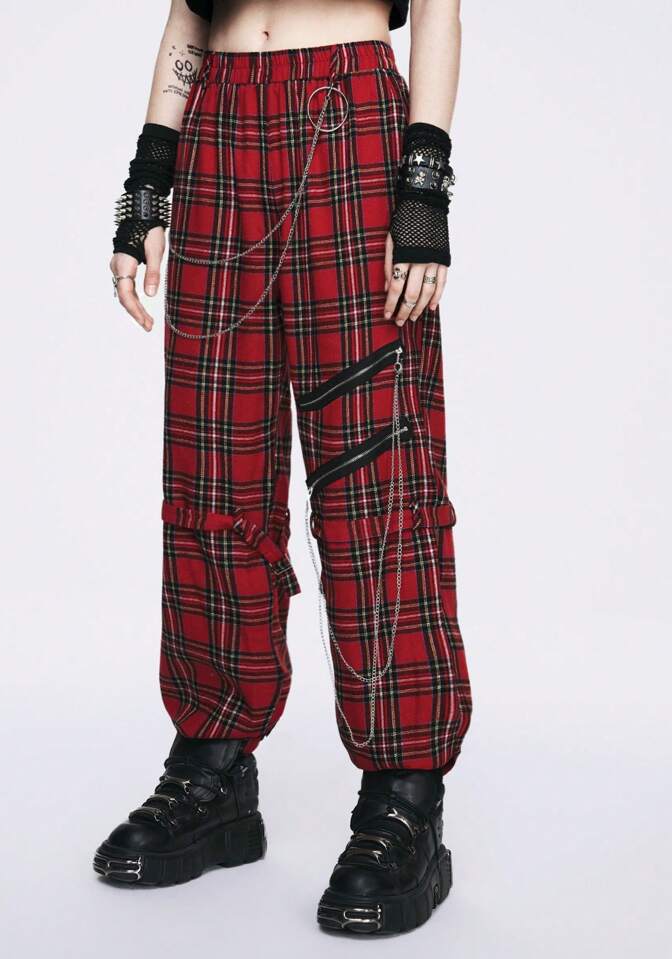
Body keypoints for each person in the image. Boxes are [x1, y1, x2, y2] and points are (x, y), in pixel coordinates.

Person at [95, 0, 472, 935]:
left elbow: (439, 7)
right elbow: (188, 17)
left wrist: (424, 183)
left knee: (377, 469)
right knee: (211, 460)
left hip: (347, 117)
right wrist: (147, 185)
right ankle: (214, 764)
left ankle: (404, 793)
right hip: (218, 124)